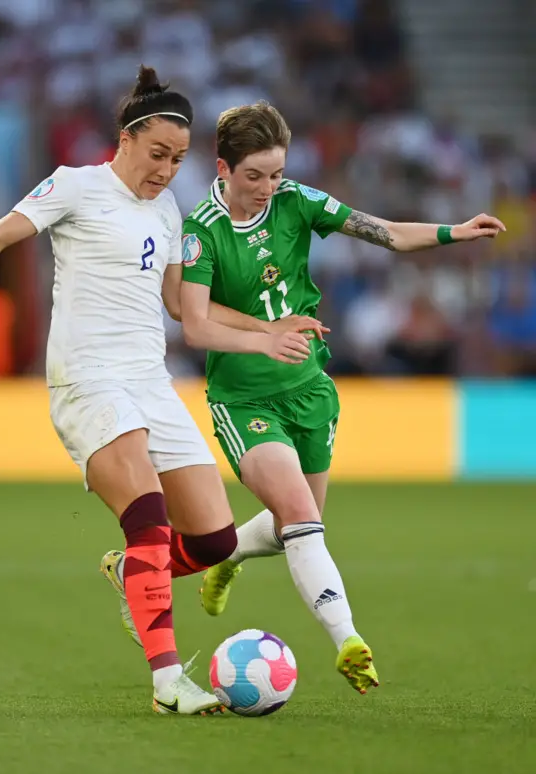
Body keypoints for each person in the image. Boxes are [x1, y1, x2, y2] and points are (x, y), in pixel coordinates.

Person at [0, 69, 323, 716]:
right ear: (125, 139)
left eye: (178, 160)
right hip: (89, 380)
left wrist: (267, 329)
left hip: (151, 381)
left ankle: (131, 574)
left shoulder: (168, 209)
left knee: (214, 543)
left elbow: (185, 308)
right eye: (158, 155)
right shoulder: (74, 185)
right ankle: (168, 681)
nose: (167, 170)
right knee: (147, 516)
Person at [180, 102, 506, 694]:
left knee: (295, 525)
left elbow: (381, 232)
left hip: (309, 392)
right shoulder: (202, 229)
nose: (267, 188)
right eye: (254, 176)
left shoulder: (297, 201)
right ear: (222, 167)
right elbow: (195, 325)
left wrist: (452, 232)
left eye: (275, 173)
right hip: (245, 400)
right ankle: (347, 639)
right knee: (303, 519)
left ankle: (228, 556)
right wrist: (265, 336)